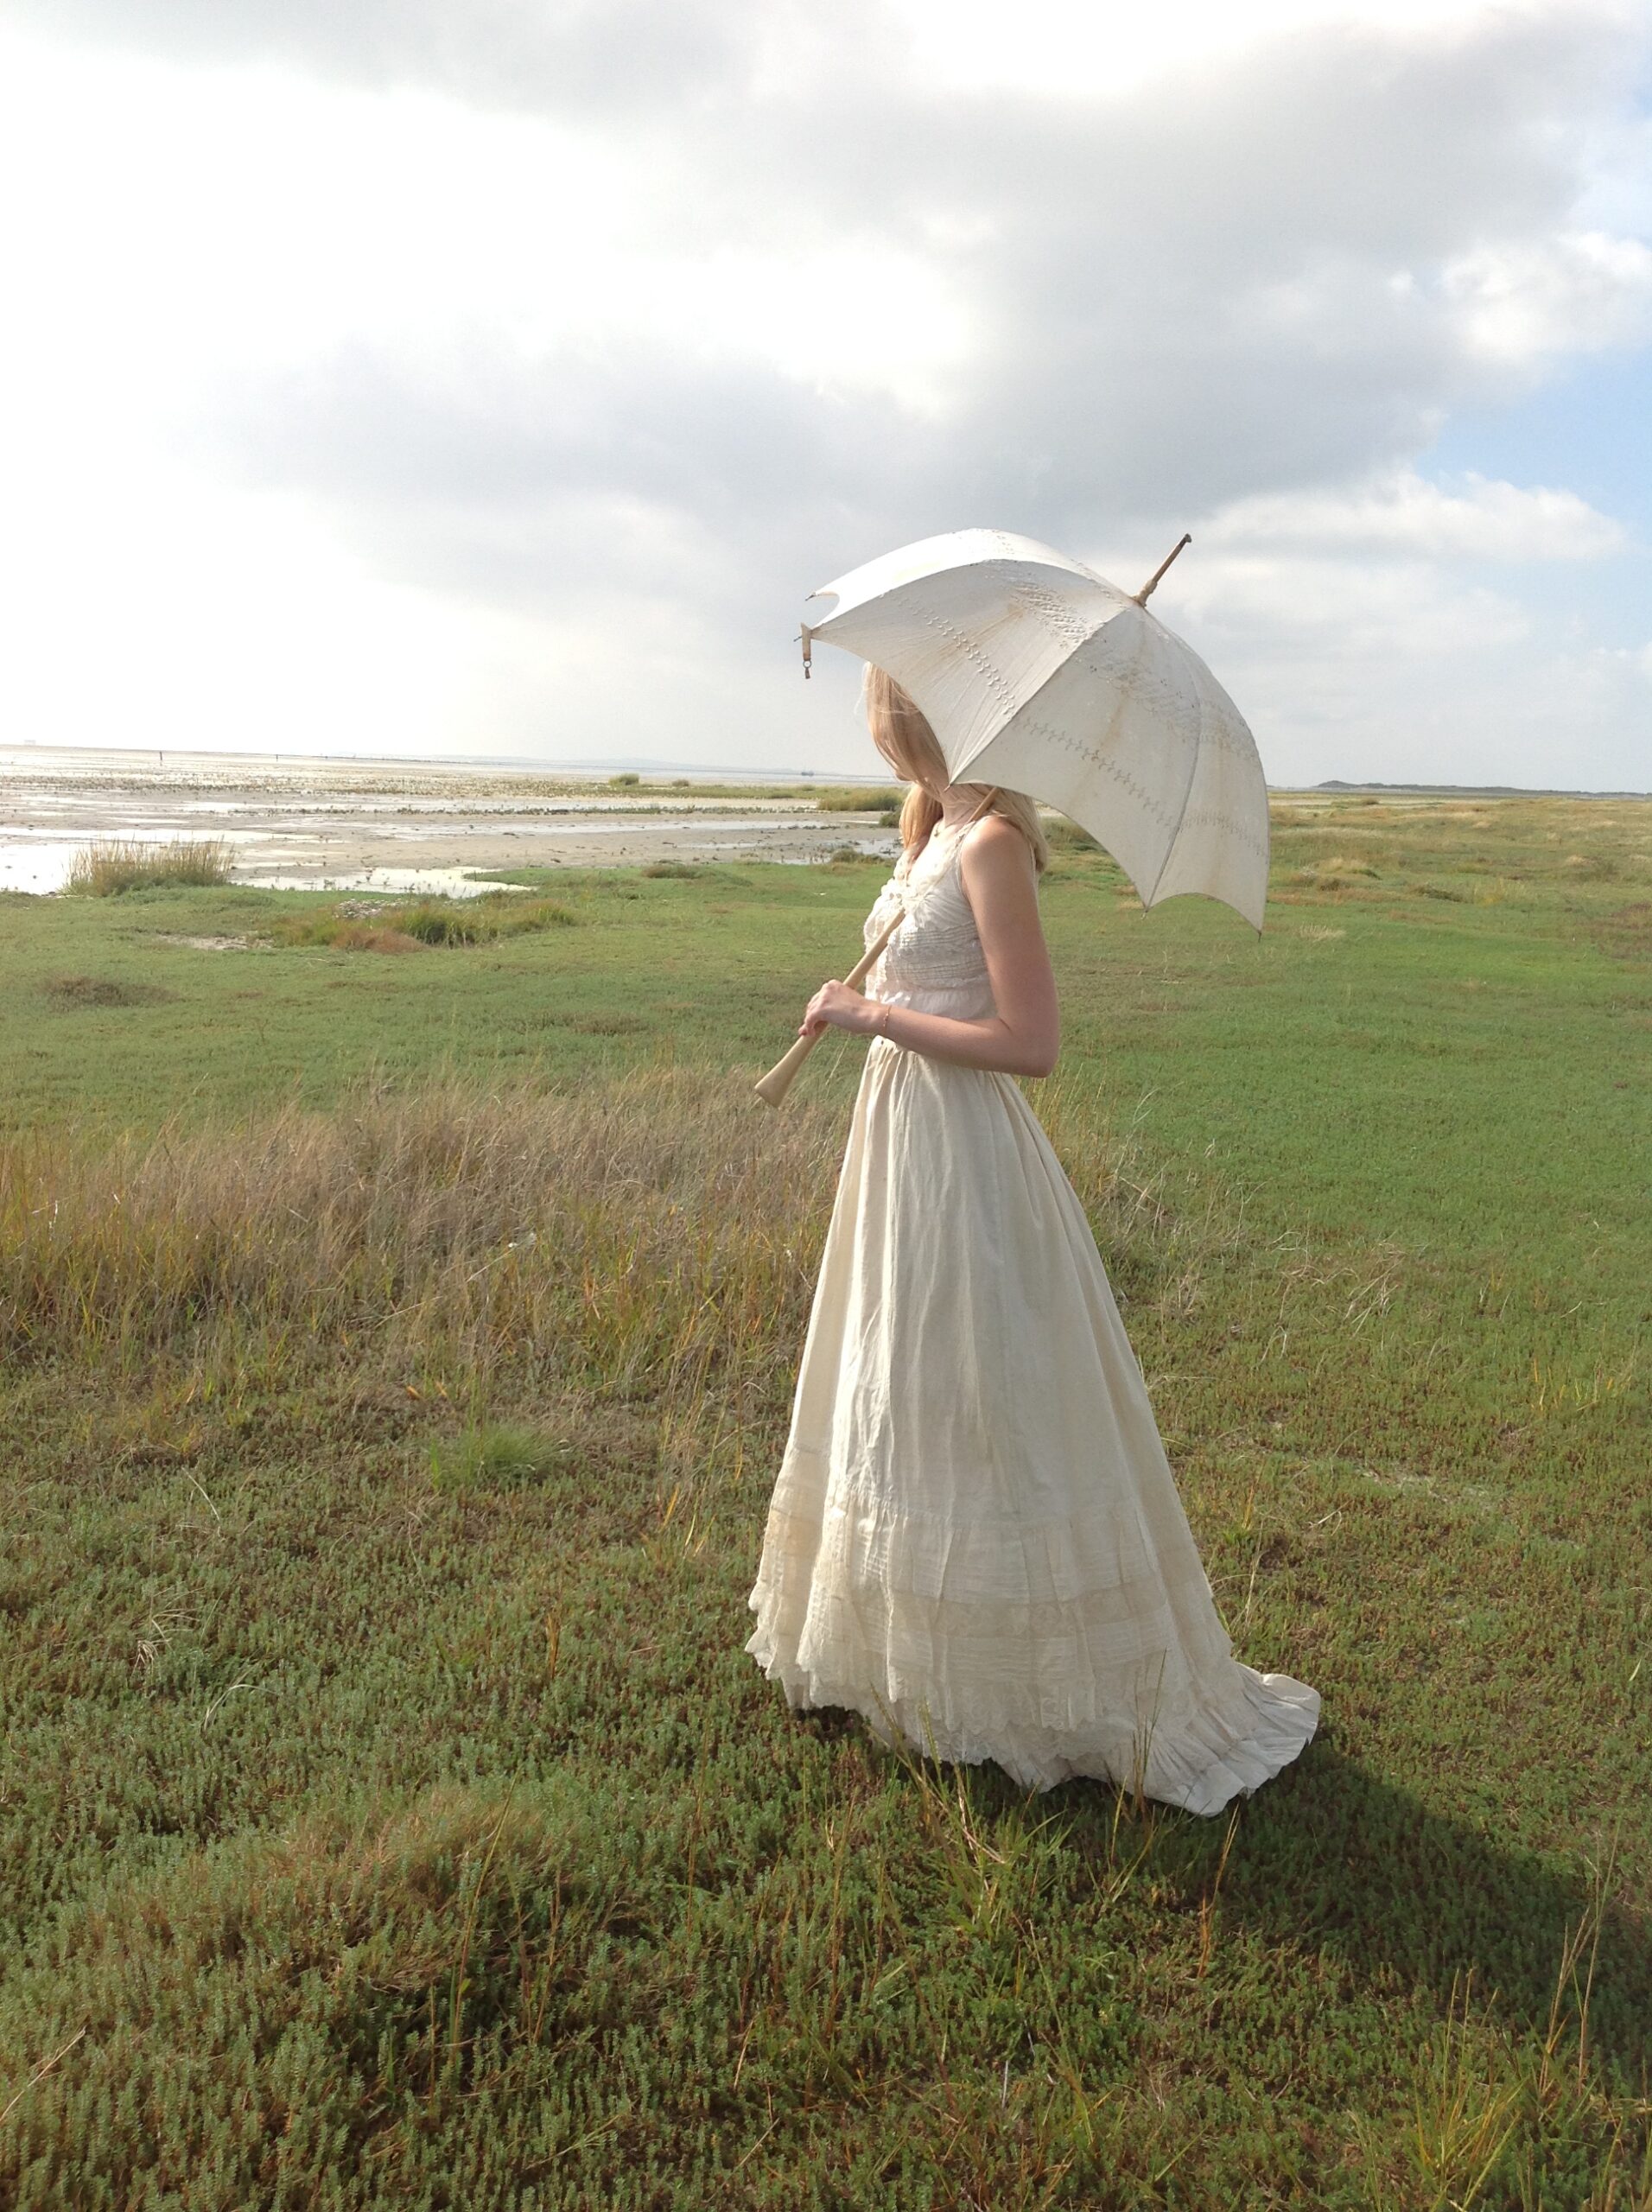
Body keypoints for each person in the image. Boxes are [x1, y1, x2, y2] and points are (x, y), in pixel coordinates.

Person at [744, 667, 1319, 1815]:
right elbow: (927, 979)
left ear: (919, 717)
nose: (879, 722)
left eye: (886, 705)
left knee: (979, 1385)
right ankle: (898, 1648)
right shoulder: (932, 824)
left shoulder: (993, 841)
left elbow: (1030, 1040)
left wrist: (872, 1015)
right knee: (900, 1382)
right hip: (899, 1140)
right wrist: (858, 999)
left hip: (964, 1150)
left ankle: (1009, 1671)